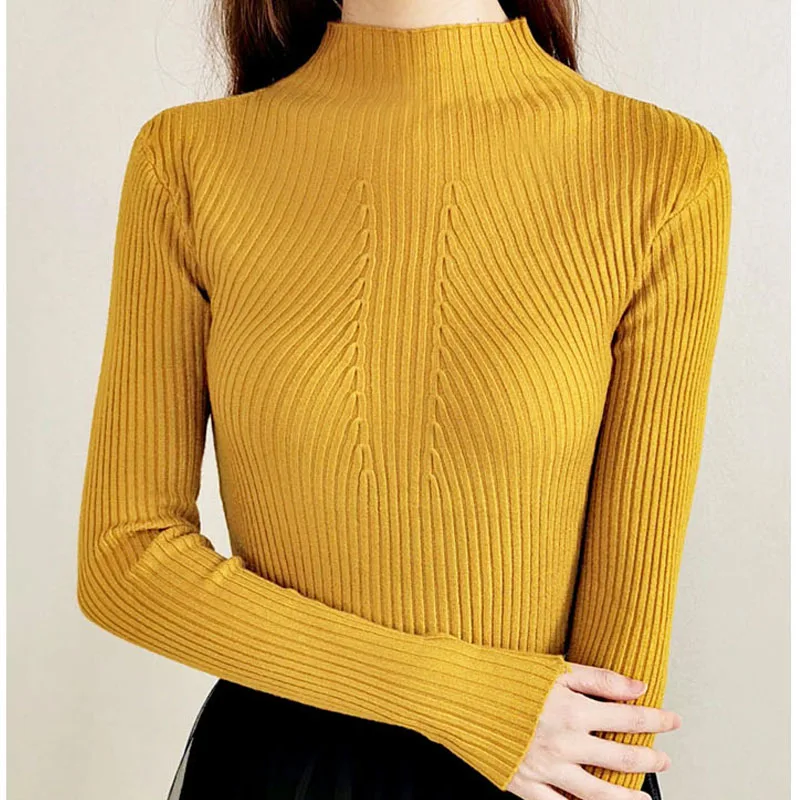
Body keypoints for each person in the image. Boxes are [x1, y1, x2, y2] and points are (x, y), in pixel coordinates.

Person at [75, 1, 731, 799]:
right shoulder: (187, 160)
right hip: (283, 771)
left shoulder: (660, 165)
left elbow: (623, 661)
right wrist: (459, 699)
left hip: (550, 776)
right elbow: (126, 558)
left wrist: (589, 774)